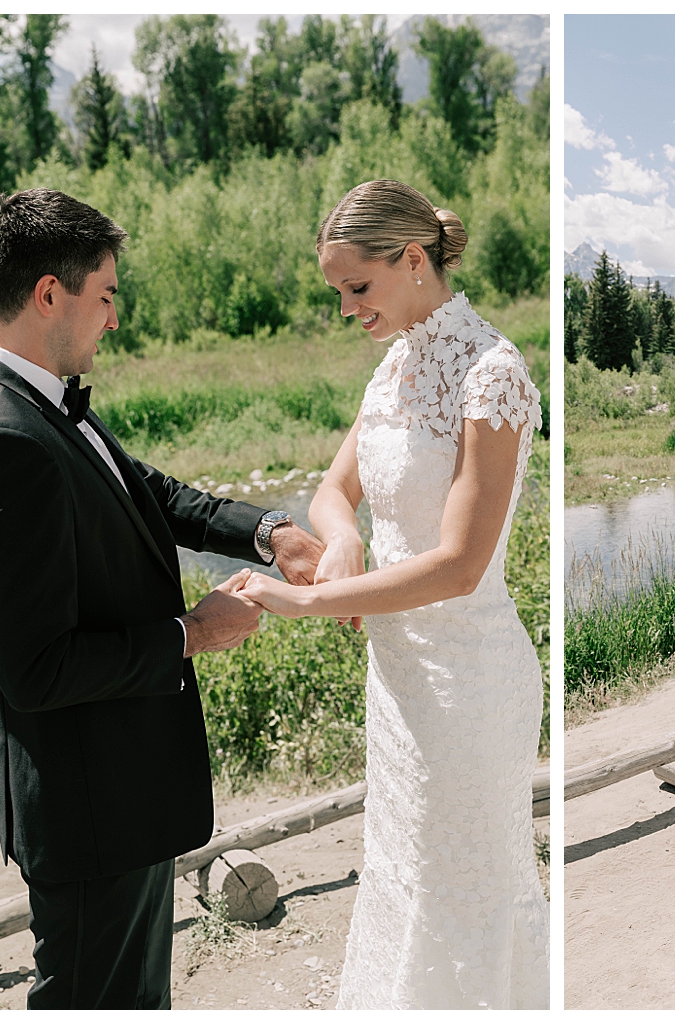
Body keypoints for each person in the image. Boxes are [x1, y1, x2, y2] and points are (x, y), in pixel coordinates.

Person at [0, 188, 326, 1010]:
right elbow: (36, 671)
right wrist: (190, 632)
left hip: (116, 797)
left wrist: (267, 532)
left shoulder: (37, 402)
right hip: (89, 814)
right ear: (50, 294)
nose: (115, 317)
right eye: (106, 295)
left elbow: (139, 489)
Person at [235, 179, 548, 1010]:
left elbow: (459, 565)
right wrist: (342, 539)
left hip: (471, 685)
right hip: (400, 682)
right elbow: (334, 491)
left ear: (414, 260)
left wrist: (312, 601)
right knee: (405, 880)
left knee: (468, 893)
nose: (346, 308)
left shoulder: (493, 374)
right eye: (338, 292)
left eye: (357, 288)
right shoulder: (394, 367)